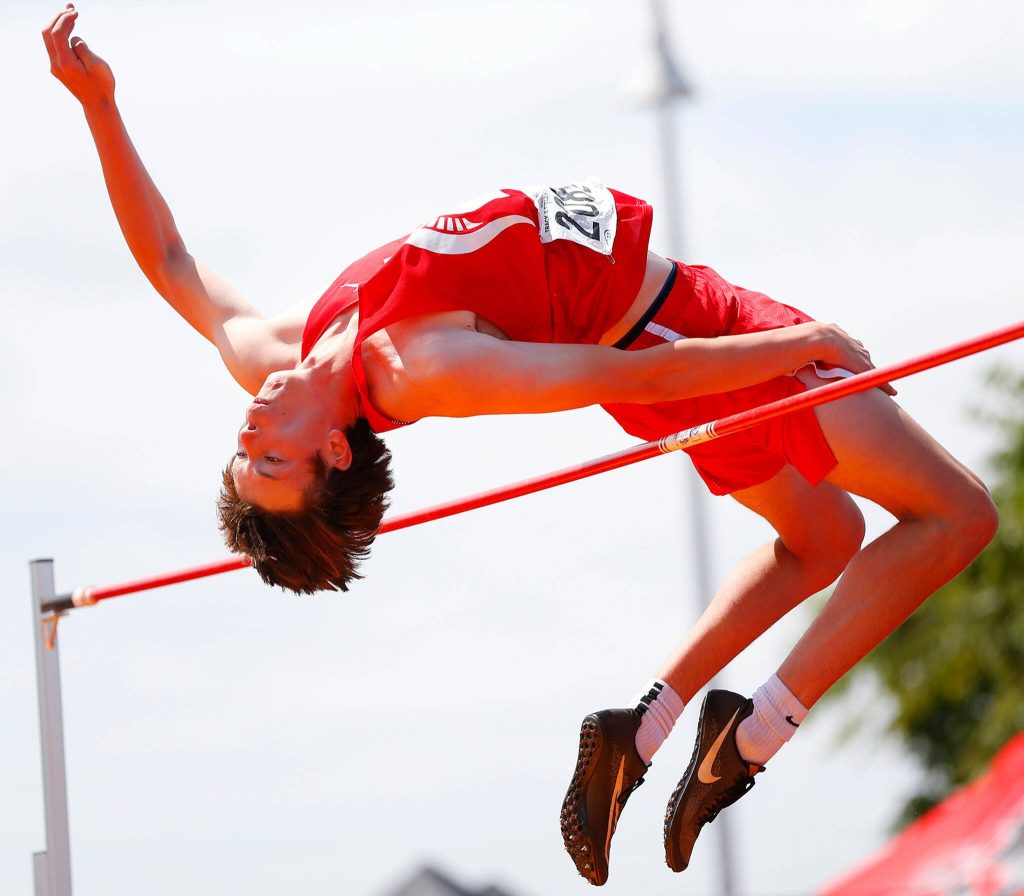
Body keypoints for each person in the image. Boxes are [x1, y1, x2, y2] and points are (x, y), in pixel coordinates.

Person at [44, 5, 1000, 886]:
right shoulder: (426, 368)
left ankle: (647, 726)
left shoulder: (282, 355)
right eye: (269, 459)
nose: (249, 431)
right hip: (685, 335)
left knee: (823, 539)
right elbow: (632, 378)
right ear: (334, 453)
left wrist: (100, 108)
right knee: (957, 515)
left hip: (664, 342)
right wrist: (803, 342)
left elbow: (171, 263)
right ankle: (752, 740)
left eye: (240, 451)